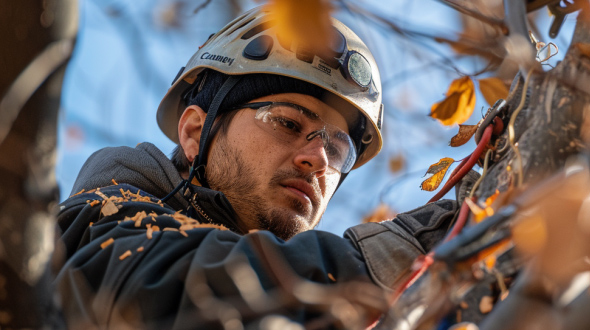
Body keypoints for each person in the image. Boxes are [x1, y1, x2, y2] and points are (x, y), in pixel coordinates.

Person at [53, 6, 458, 329]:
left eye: (337, 150)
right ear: (195, 133)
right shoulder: (91, 230)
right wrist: (376, 259)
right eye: (287, 123)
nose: (318, 160)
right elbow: (168, 292)